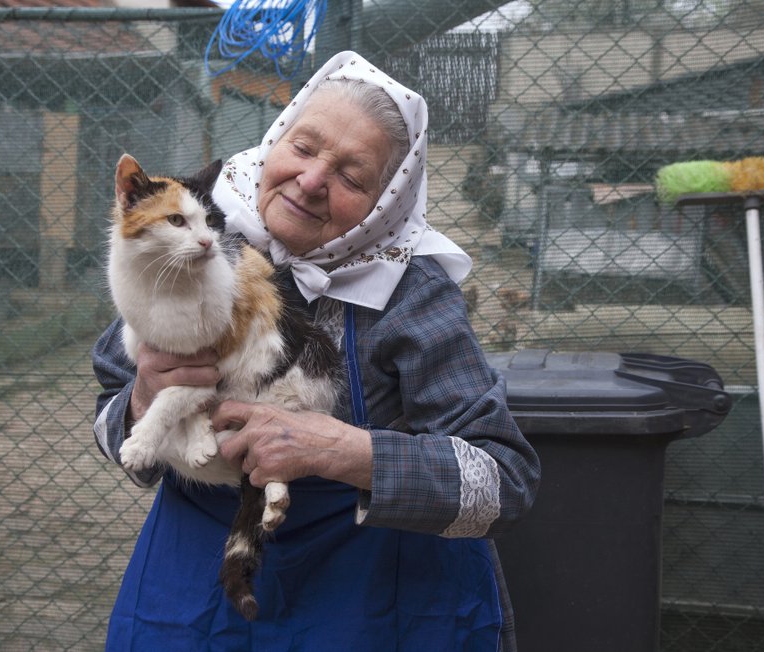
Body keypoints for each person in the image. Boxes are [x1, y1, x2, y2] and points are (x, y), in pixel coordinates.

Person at [92, 50, 541, 651]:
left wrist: (346, 451)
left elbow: (504, 482)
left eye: (352, 177)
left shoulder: (410, 292)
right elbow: (110, 420)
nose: (309, 181)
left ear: (388, 202)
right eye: (303, 148)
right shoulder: (193, 239)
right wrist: (143, 400)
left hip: (368, 604)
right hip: (196, 595)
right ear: (276, 138)